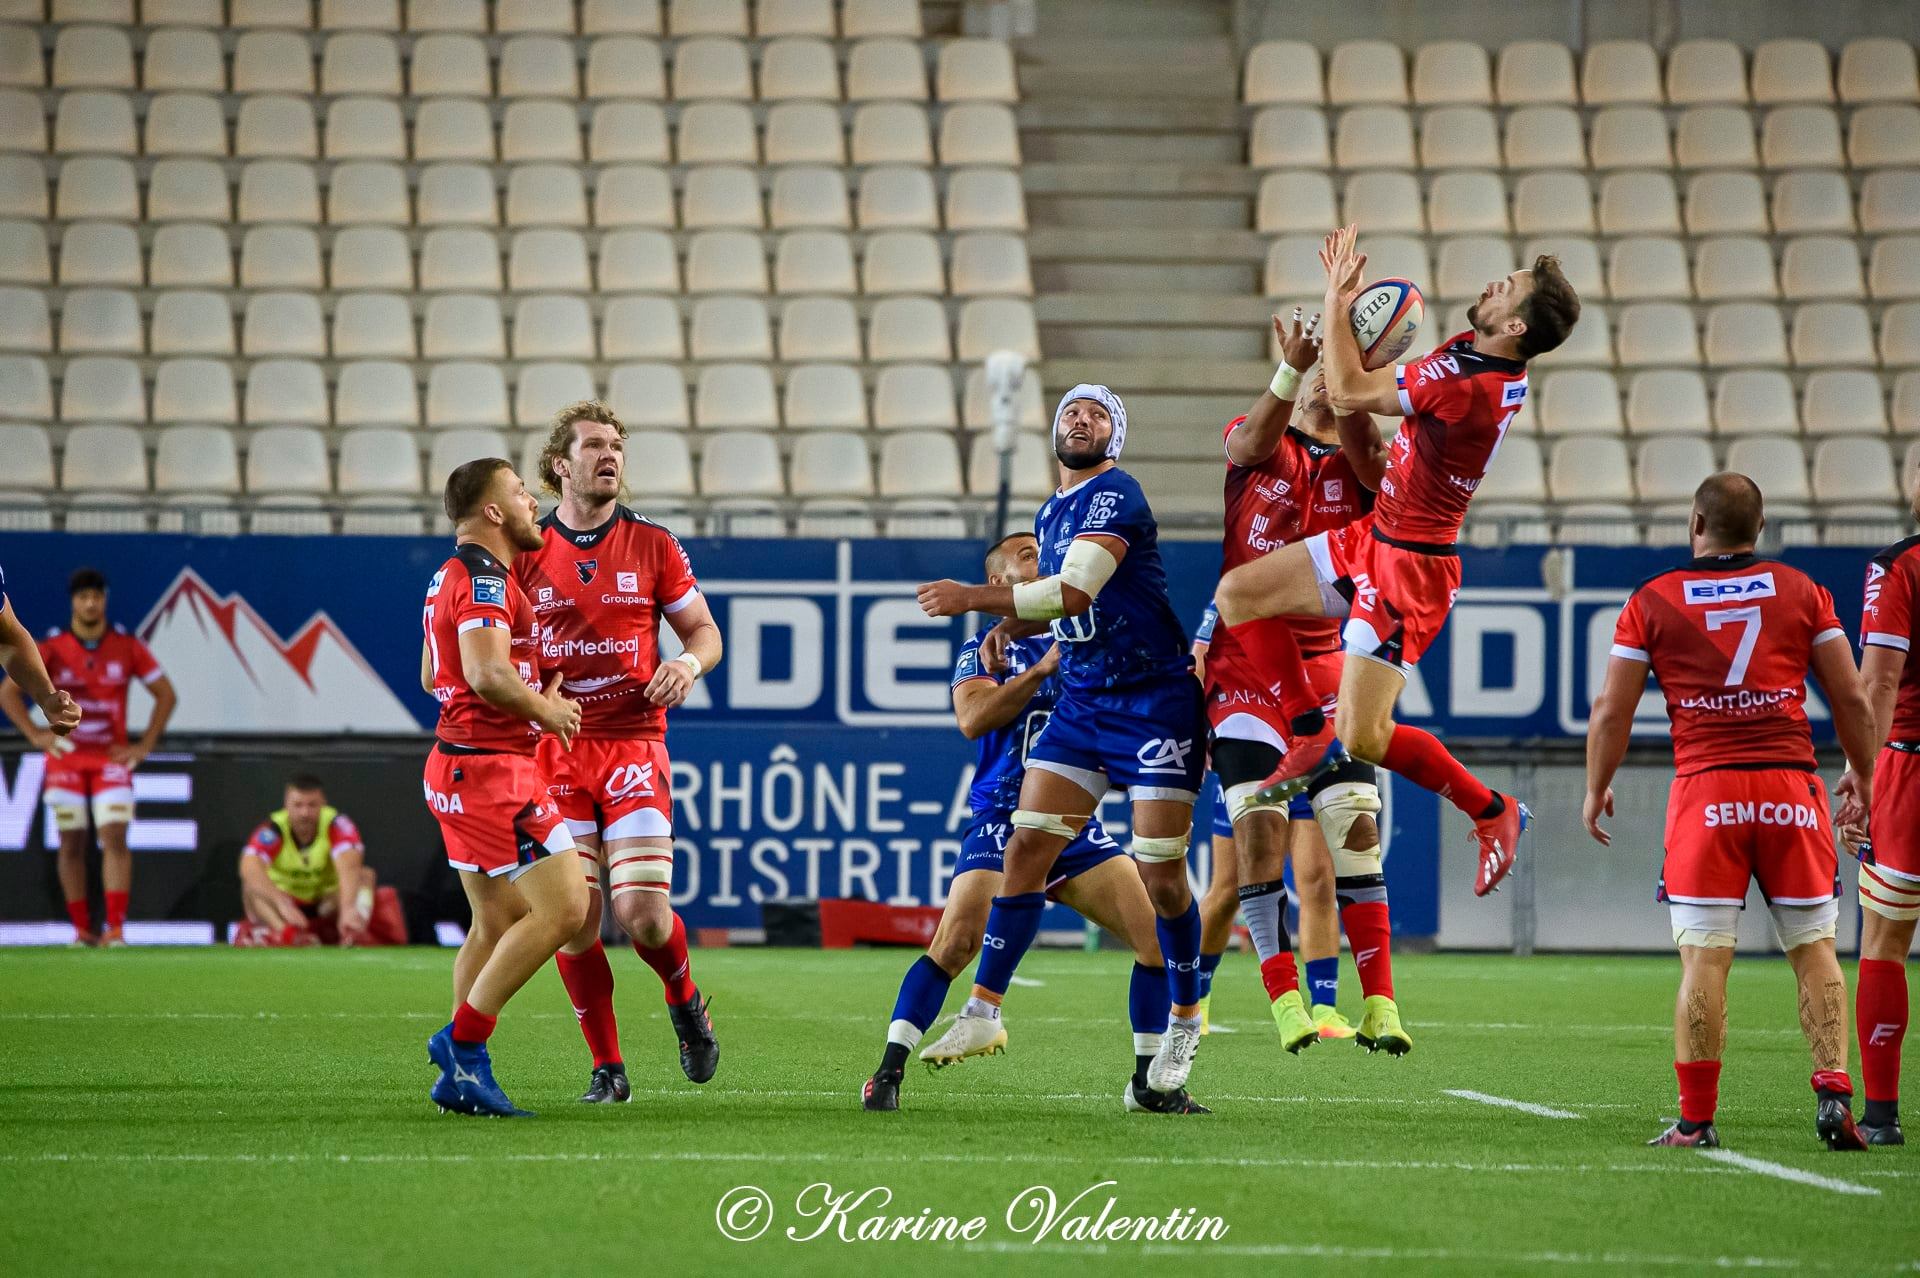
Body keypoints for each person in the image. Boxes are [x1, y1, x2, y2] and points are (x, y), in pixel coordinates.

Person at [1213, 226, 1581, 898]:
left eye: (1508, 288)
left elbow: (1352, 392)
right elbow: (1371, 438)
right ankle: (1304, 728)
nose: (1493, 285)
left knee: (1364, 732)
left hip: (1408, 568)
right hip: (1376, 537)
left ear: (1516, 324)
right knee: (1239, 593)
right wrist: (1347, 364)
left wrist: (1337, 302)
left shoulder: (1465, 383)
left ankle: (1492, 810)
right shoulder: (1479, 359)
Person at [916, 383, 1211, 1099]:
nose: (1080, 420)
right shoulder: (1051, 512)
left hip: (1152, 701)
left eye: (1098, 413)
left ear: (1116, 435)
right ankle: (984, 1010)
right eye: (1070, 412)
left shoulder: (1117, 494)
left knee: (1164, 877)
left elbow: (1073, 593)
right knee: (1026, 845)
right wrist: (1007, 627)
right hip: (1085, 696)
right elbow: (1053, 605)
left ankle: (1186, 1018)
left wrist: (972, 598)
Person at [1584, 473, 1877, 1151]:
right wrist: (1864, 776)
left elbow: (1612, 710)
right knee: (1816, 950)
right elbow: (1853, 702)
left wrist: (1597, 785)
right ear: (1760, 529)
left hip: (1707, 792)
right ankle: (1834, 1093)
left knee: (1705, 962)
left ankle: (1696, 1120)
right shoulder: (1802, 591)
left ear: (1695, 524)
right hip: (1791, 789)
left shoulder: (1652, 600)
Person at [866, 533, 1207, 1115]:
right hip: (1004, 817)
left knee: (1154, 940)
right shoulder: (985, 652)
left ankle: (1148, 1085)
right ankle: (888, 1071)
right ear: (999, 584)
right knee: (956, 943)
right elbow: (973, 719)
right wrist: (1039, 669)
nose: (1040, 556)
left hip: (1074, 830)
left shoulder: (1083, 639)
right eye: (1026, 555)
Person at [1204, 309, 1406, 1054]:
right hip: (1243, 673)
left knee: (1356, 833)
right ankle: (1286, 1000)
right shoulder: (1260, 446)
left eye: (1338, 368)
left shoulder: (1366, 463)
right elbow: (1249, 439)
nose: (1325, 376)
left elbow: (1377, 466)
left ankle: (1380, 1001)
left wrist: (1352, 391)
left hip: (1326, 669)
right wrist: (1290, 371)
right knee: (1256, 845)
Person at [514, 400, 724, 1103]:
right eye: (594, 446)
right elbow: (500, 647)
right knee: (573, 918)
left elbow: (703, 633)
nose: (610, 456)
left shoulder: (654, 545)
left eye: (617, 447)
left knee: (643, 916)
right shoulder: (524, 551)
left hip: (633, 743)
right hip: (556, 750)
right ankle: (608, 1068)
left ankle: (684, 997)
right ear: (559, 465)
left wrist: (687, 668)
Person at [420, 458, 589, 1118]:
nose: (532, 502)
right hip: (493, 771)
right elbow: (483, 672)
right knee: (567, 910)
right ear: (492, 512)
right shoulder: (485, 577)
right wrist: (541, 710)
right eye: (520, 493)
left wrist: (519, 687)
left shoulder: (448, 576)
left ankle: (464, 1074)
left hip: (458, 765)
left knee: (494, 923)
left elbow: (435, 672)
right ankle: (464, 1046)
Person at [0, 568, 176, 947]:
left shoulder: (128, 646)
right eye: (83, 597)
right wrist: (35, 735)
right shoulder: (54, 647)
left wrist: (143, 745)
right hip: (66, 756)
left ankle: (115, 929)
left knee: (114, 833)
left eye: (97, 596)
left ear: (105, 600)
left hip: (109, 757)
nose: (91, 603)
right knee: (71, 841)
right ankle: (82, 930)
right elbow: (7, 692)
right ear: (73, 602)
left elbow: (166, 693)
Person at [1843, 454, 1920, 1145]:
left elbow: (1880, 684)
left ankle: (1884, 1114)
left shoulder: (1899, 568)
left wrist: (1860, 774)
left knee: (1886, 940)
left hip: (1912, 772)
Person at [236, 774, 390, 947]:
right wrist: (282, 903)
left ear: (323, 803)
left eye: (312, 805)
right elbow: (249, 866)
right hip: (287, 902)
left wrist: (347, 908)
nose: (305, 813)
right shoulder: (274, 829)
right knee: (251, 888)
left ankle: (353, 931)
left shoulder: (336, 824)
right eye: (298, 805)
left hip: (325, 903)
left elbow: (350, 866)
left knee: (364, 876)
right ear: (286, 804)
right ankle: (287, 933)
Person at [1189, 603, 1239, 1036]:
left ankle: (1322, 1006)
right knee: (1230, 887)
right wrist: (1200, 726)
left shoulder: (1330, 584)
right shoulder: (1237, 586)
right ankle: (1194, 996)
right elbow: (1200, 657)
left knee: (1317, 877)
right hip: (1246, 740)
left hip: (1310, 740)